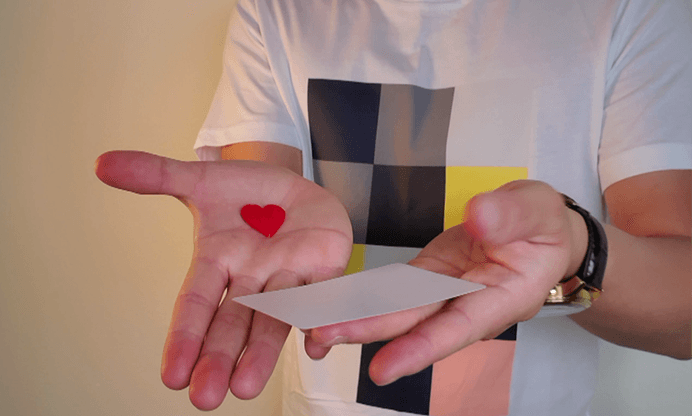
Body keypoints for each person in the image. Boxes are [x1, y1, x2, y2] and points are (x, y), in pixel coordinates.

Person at [95, 0, 692, 414]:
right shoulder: (274, 10)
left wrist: (576, 255)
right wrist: (259, 233)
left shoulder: (629, 11)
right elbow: (264, 216)